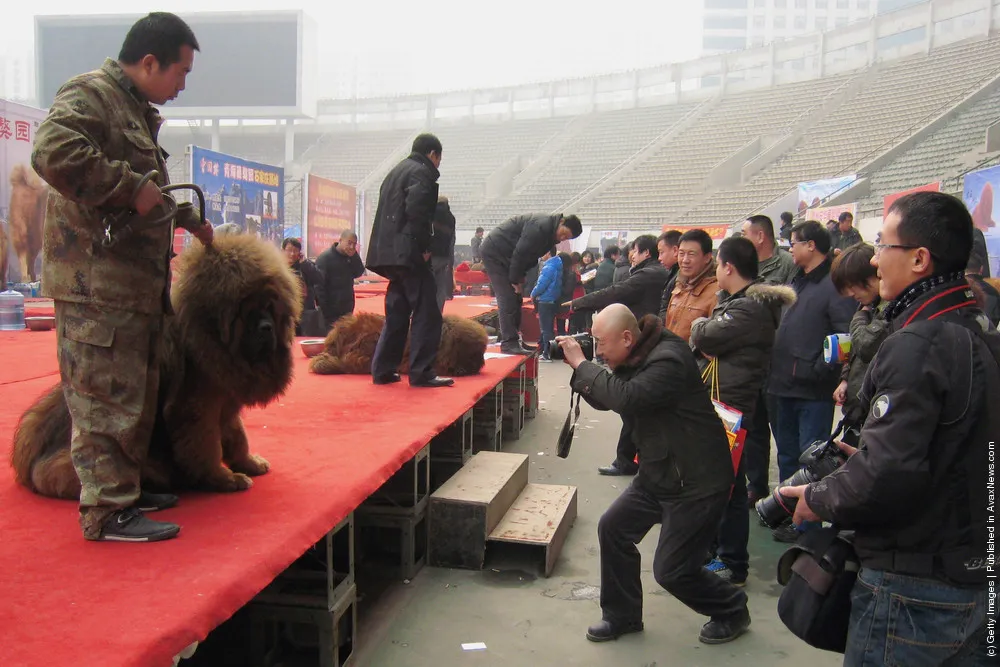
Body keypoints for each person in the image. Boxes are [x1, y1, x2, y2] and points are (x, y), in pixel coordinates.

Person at [781, 191, 996, 665]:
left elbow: (888, 476)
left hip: (915, 591)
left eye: (882, 245)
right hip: (980, 578)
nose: (874, 260)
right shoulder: (981, 336)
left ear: (919, 259)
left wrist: (816, 498)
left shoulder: (917, 344)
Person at [31, 12, 213, 542]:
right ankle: (107, 512)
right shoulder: (90, 95)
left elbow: (146, 199)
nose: (181, 84)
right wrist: (127, 185)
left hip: (132, 287)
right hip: (96, 285)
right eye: (179, 72)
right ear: (149, 61)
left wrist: (187, 220)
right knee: (103, 398)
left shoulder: (133, 109)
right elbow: (52, 152)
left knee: (134, 395)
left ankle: (125, 489)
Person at [556, 304, 750, 645]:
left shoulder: (668, 359)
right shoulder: (636, 355)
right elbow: (612, 397)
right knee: (614, 528)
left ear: (627, 337)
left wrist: (582, 365)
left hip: (697, 481)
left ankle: (732, 608)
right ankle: (622, 615)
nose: (598, 351)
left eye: (601, 343)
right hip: (659, 472)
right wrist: (585, 372)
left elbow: (627, 397)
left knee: (672, 570)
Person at [690, 236, 796, 586]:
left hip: (731, 407)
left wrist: (701, 329)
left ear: (728, 267)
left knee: (729, 489)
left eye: (717, 264)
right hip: (726, 403)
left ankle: (732, 562)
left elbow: (704, 336)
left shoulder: (748, 308)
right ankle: (719, 552)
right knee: (723, 484)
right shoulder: (739, 303)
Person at [767, 220, 856, 542]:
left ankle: (809, 528)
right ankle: (790, 515)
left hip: (811, 389)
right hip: (781, 383)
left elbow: (844, 336)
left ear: (811, 246)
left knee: (812, 461)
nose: (791, 248)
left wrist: (819, 369)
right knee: (787, 455)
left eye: (795, 242)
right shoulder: (796, 280)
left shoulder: (833, 285)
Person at [365, 133, 452, 388]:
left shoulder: (395, 171)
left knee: (398, 311)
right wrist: (424, 247)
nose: (438, 165)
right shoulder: (421, 173)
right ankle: (422, 372)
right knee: (427, 312)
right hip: (409, 254)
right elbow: (418, 212)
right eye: (439, 159)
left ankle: (383, 368)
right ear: (433, 154)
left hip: (389, 254)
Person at [479, 213, 582, 354]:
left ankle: (516, 340)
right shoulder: (540, 227)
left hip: (509, 256)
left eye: (566, 238)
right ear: (561, 222)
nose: (562, 238)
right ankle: (509, 343)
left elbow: (531, 259)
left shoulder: (550, 236)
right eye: (564, 234)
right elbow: (520, 253)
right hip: (495, 252)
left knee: (517, 298)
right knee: (507, 297)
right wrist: (515, 280)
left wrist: (520, 279)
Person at [829, 243, 890, 446]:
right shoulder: (868, 306)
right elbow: (855, 347)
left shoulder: (888, 307)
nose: (849, 293)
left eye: (851, 285)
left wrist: (859, 317)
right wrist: (845, 379)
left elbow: (866, 345)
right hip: (855, 407)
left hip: (875, 410)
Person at [566, 234, 668, 321]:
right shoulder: (657, 271)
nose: (633, 256)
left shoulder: (647, 274)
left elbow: (616, 291)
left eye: (636, 251)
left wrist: (579, 302)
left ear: (646, 252)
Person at [664, 229, 718, 342]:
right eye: (681, 253)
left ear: (707, 257)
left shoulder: (716, 292)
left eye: (691, 254)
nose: (685, 260)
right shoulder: (679, 286)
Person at [315, 229, 365, 330]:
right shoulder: (325, 258)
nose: (351, 247)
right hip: (330, 310)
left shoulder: (350, 257)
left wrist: (354, 256)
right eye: (349, 243)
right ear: (340, 240)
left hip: (347, 307)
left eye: (354, 244)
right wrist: (324, 310)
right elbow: (319, 286)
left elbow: (359, 272)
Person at [282, 237, 324, 336]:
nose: (292, 254)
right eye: (289, 250)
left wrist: (304, 263)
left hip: (304, 313)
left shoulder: (304, 266)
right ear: (283, 251)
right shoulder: (278, 267)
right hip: (285, 312)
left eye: (295, 251)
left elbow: (319, 279)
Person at [741, 215, 796, 285]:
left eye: (743, 234)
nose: (741, 239)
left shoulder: (789, 263)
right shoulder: (741, 264)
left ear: (760, 236)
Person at [529, 251, 563, 361]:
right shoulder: (558, 264)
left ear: (548, 252)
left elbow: (542, 284)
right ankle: (550, 351)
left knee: (545, 329)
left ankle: (547, 353)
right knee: (549, 329)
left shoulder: (549, 267)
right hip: (553, 299)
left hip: (545, 299)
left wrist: (533, 294)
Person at [430, 195, 456, 311]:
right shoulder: (451, 218)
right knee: (440, 286)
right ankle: (438, 311)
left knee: (426, 283)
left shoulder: (430, 214)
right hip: (444, 256)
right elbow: (452, 240)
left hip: (430, 255)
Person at [655, 230, 681, 321]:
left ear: (675, 250)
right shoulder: (673, 273)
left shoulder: (682, 277)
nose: (659, 258)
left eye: (661, 252)